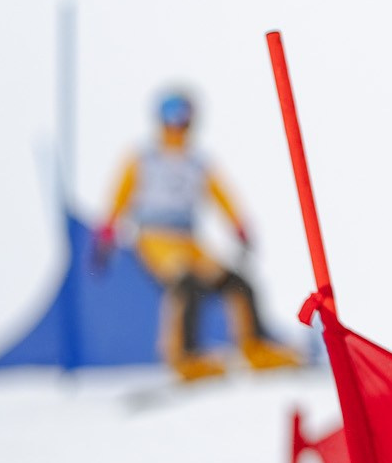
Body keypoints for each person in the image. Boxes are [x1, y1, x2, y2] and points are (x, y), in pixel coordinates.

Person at [99, 89, 301, 381]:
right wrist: (107, 230)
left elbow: (221, 193)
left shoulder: (197, 161)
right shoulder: (144, 158)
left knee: (236, 282)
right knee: (186, 283)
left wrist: (239, 225)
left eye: (184, 117)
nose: (178, 124)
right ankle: (184, 356)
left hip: (189, 238)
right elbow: (121, 193)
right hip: (155, 238)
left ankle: (255, 346)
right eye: (172, 116)